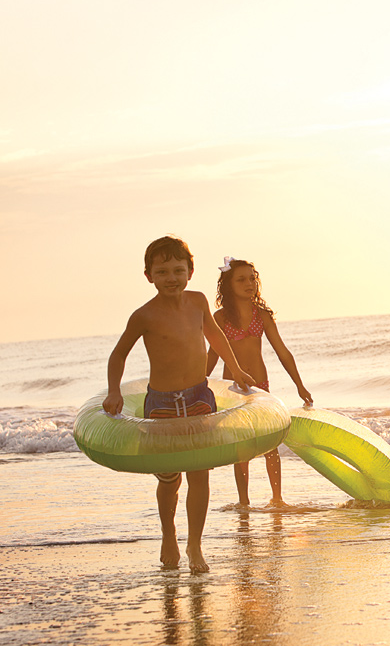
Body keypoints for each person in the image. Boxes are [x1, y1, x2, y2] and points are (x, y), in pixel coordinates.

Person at [103, 236, 257, 573]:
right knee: (169, 479)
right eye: (162, 271)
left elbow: (216, 336)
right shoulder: (143, 315)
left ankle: (195, 545)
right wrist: (114, 390)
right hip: (161, 405)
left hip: (199, 397)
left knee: (199, 475)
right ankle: (169, 534)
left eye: (177, 270)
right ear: (149, 276)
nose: (171, 277)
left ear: (190, 271)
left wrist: (238, 369)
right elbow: (118, 354)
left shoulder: (199, 301)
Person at [207, 256, 313, 508]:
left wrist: (299, 384)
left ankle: (277, 498)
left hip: (260, 386)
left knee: (270, 443)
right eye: (241, 279)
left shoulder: (262, 315)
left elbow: (282, 352)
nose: (249, 283)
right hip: (232, 389)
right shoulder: (220, 318)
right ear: (227, 285)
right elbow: (212, 355)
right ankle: (243, 502)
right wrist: (199, 387)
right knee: (240, 448)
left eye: (252, 278)